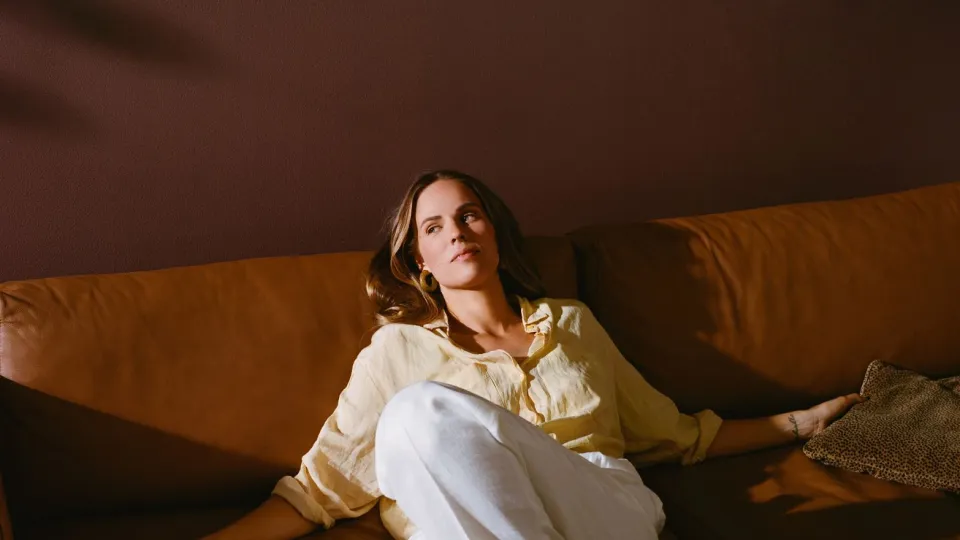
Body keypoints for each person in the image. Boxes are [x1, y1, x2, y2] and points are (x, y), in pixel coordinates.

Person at [204, 170, 861, 540]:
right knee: (413, 416)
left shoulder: (572, 325)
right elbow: (319, 491)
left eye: (470, 215)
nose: (457, 231)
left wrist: (801, 421)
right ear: (419, 264)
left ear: (494, 232)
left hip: (600, 506)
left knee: (417, 415)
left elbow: (673, 434)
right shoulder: (396, 353)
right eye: (434, 227)